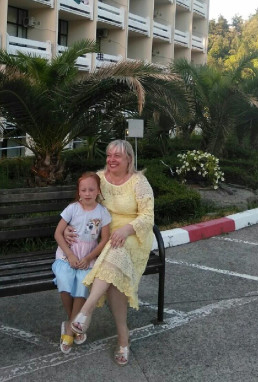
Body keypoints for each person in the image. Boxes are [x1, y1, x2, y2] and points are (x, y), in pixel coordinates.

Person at [67, 139, 154, 366]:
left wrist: (126, 229)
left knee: (117, 251)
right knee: (115, 276)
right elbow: (82, 204)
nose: (111, 159)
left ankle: (86, 311)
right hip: (104, 236)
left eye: (117, 155)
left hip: (133, 236)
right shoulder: (99, 179)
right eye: (108, 155)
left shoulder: (139, 182)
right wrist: (67, 227)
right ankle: (123, 338)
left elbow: (147, 217)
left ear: (128, 159)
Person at [53, 172, 111, 354]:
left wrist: (88, 258)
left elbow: (104, 239)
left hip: (87, 257)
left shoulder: (102, 212)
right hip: (67, 255)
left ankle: (69, 329)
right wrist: (70, 255)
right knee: (64, 280)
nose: (87, 193)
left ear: (98, 191)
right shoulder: (72, 209)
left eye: (91, 189)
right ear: (78, 191)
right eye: (83, 190)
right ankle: (74, 323)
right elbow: (58, 233)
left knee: (83, 283)